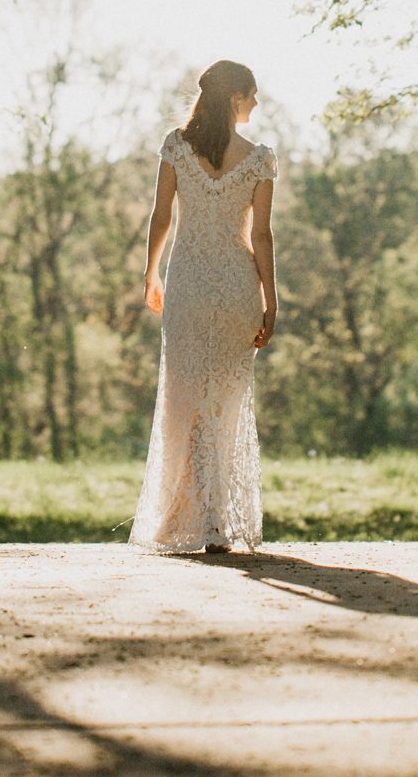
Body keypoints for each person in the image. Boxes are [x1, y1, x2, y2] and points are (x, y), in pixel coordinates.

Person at [130, 59, 279, 554]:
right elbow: (261, 236)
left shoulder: (177, 146)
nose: (256, 104)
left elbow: (161, 217)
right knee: (226, 404)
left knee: (184, 402)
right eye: (252, 95)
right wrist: (270, 299)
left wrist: (151, 273)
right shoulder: (258, 159)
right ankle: (216, 523)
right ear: (235, 98)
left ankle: (185, 519)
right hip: (237, 287)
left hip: (189, 284)